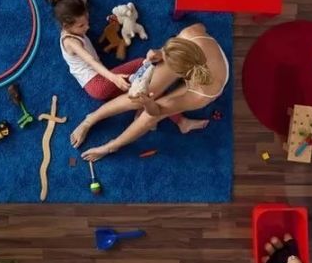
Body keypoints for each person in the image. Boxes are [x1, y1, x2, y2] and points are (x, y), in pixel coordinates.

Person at [70, 23, 229, 161]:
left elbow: (155, 112)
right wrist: (160, 52)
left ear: (182, 74)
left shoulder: (200, 95)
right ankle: (90, 119)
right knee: (138, 95)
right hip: (190, 56)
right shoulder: (190, 34)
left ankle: (111, 146)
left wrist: (148, 103)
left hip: (203, 84)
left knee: (149, 115)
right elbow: (201, 26)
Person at [47, 0, 144, 101]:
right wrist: (114, 78)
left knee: (135, 90)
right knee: (142, 63)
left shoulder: (76, 17)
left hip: (99, 83)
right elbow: (90, 60)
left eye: (87, 20)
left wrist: (80, 1)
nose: (87, 27)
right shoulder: (71, 42)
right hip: (97, 84)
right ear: (66, 26)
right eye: (81, 26)